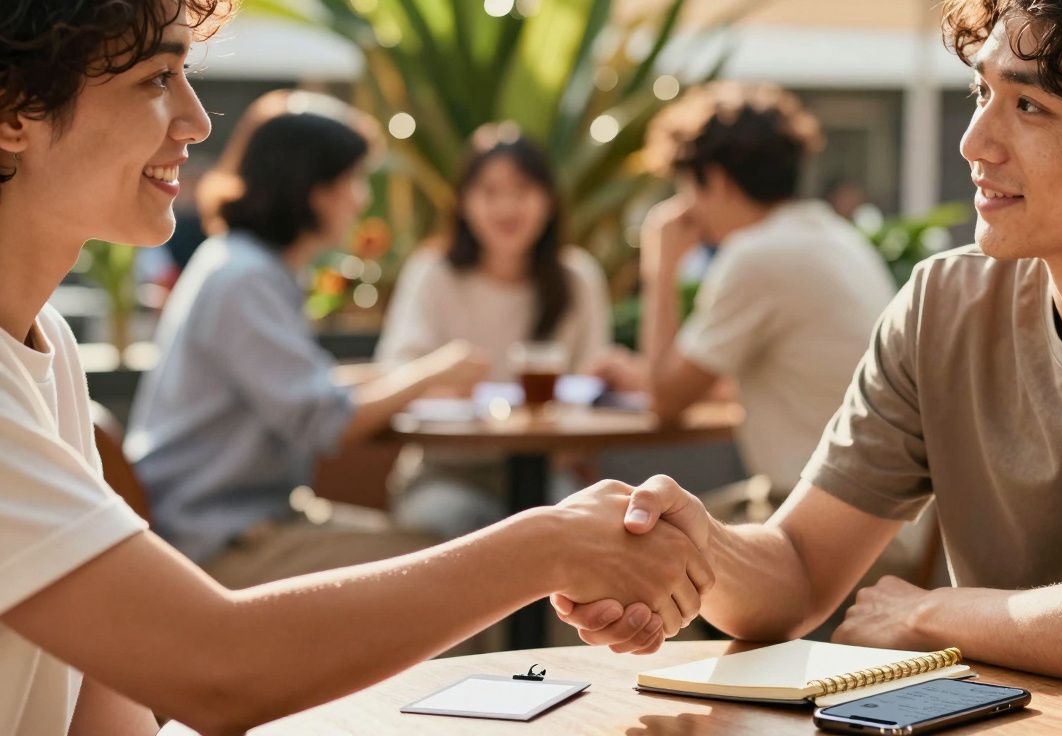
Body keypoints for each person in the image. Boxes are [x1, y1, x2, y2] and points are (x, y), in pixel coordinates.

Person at [557, 0, 1062, 703]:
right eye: (982, 93)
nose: (975, 142)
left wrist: (933, 616)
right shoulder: (944, 305)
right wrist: (691, 546)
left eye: (1029, 106)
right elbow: (798, 570)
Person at [0, 3, 707, 734]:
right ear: (14, 111)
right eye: (156, 78)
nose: (200, 121)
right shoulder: (238, 278)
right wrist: (551, 544)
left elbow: (103, 708)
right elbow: (217, 667)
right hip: (223, 534)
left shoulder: (44, 340)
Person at [125, 104, 490, 587]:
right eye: (353, 182)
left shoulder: (245, 265)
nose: (361, 202)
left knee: (453, 541)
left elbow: (305, 386)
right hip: (216, 540)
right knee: (452, 567)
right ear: (314, 192)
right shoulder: (245, 278)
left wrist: (399, 376)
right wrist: (432, 372)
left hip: (234, 521)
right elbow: (323, 419)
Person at [590, 82, 899, 510]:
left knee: (624, 537)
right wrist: (645, 376)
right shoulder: (833, 236)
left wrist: (660, 266)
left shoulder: (757, 256)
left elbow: (665, 403)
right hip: (882, 518)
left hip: (827, 526)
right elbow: (768, 380)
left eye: (685, 188)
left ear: (714, 180)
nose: (686, 208)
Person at [375, 123, 612, 536]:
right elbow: (394, 376)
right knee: (448, 524)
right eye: (489, 192)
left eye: (521, 191)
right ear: (464, 202)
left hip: (547, 472)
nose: (506, 207)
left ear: (548, 200)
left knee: (572, 530)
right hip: (445, 472)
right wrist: (442, 378)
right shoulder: (434, 274)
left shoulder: (577, 279)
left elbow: (591, 391)